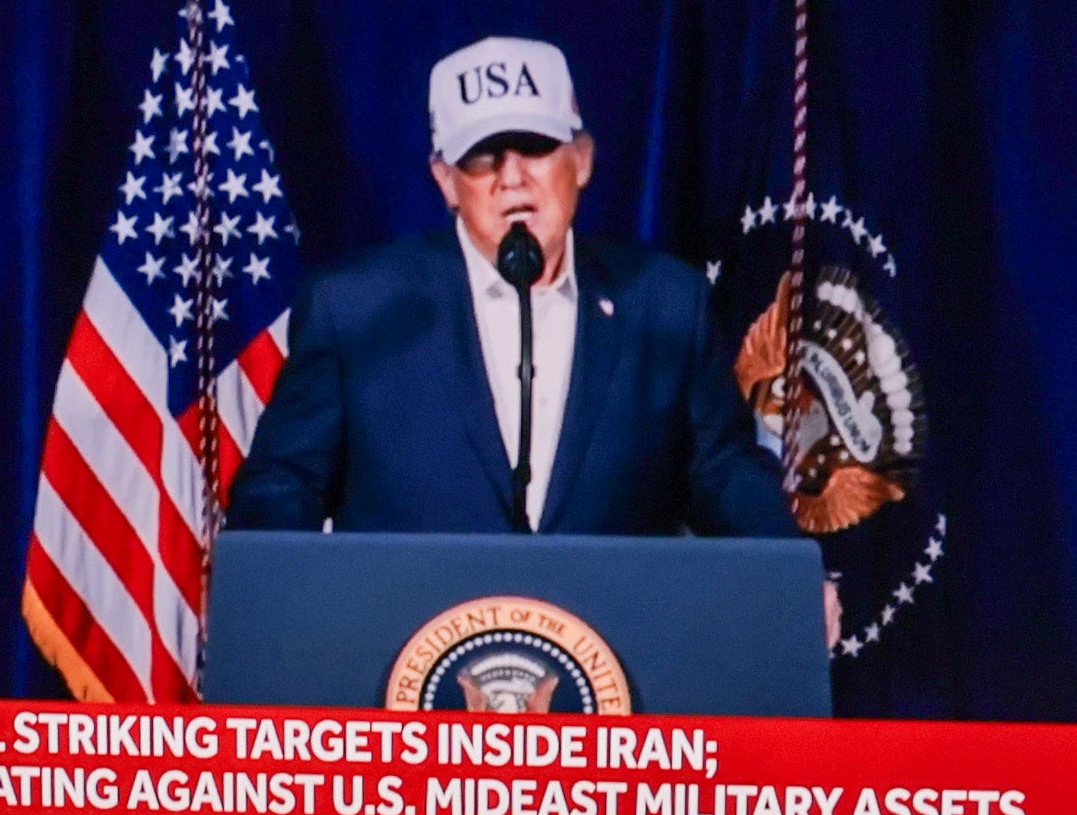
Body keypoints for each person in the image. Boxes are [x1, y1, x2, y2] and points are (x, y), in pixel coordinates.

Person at [226, 36, 793, 540]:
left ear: (582, 160)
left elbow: (726, 472)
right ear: (446, 181)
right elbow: (283, 486)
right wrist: (262, 593)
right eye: (483, 157)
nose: (513, 178)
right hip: (411, 626)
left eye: (536, 147)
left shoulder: (667, 304)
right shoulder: (356, 308)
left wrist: (791, 575)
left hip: (606, 625)